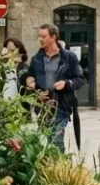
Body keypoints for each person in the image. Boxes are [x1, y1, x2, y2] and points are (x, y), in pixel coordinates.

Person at [25, 24, 86, 152]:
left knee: (56, 142)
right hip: (42, 107)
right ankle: (49, 169)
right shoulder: (36, 59)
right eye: (39, 36)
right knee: (44, 142)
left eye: (43, 36)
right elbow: (30, 77)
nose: (40, 39)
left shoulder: (69, 57)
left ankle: (60, 168)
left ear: (53, 37)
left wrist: (66, 83)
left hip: (61, 105)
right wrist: (30, 83)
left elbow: (80, 79)